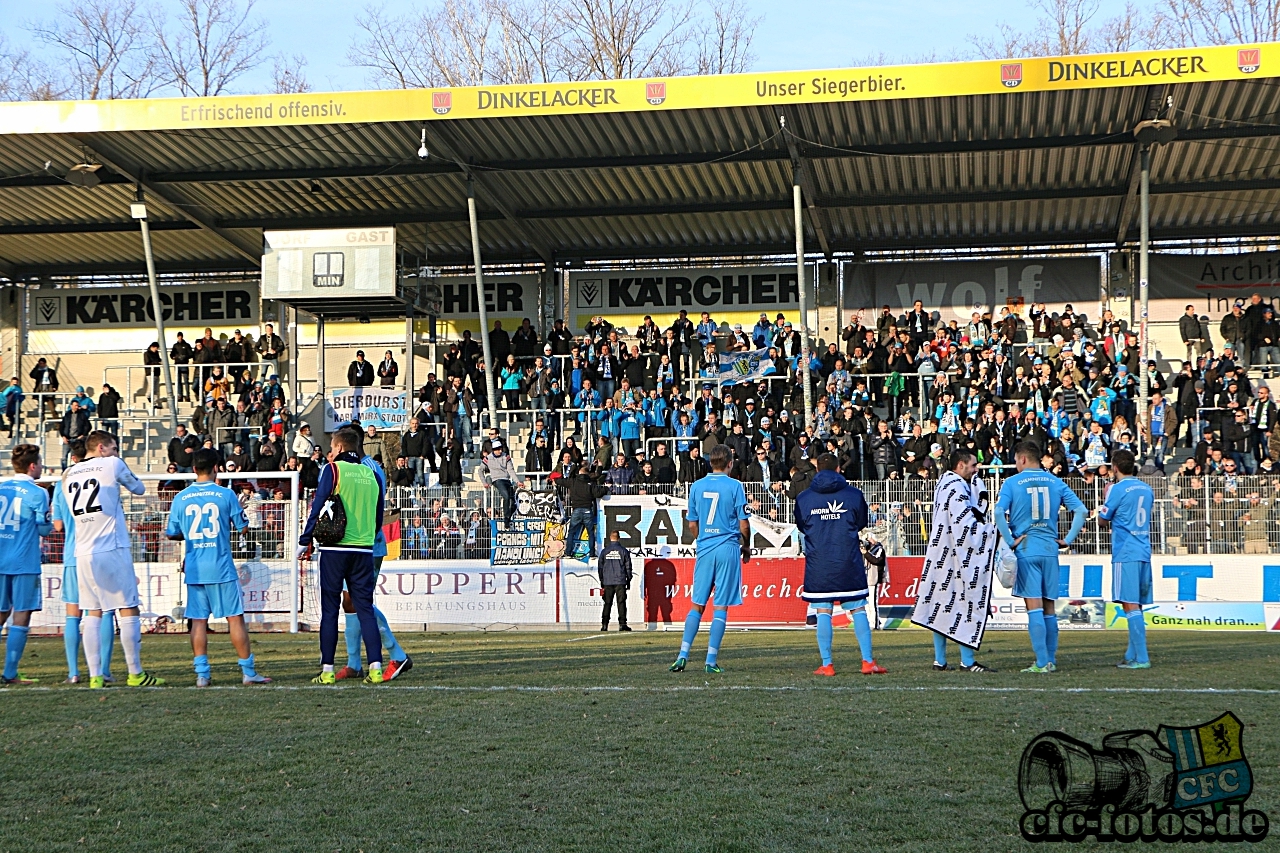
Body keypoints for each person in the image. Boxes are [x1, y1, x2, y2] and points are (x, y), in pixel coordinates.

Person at [64, 431, 162, 687]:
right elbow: (139, 489)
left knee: (93, 611)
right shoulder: (112, 463)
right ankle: (135, 673)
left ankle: (95, 677)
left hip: (83, 550)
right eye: (114, 448)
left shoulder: (68, 473)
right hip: (111, 546)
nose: (117, 452)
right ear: (101, 448)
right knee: (128, 606)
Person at [165, 449, 272, 687]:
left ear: (193, 469)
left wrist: (190, 533)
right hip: (220, 566)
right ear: (217, 469)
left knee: (199, 621)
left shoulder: (180, 498)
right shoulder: (225, 494)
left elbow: (172, 533)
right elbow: (243, 527)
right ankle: (248, 672)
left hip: (194, 568)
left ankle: (202, 674)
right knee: (235, 619)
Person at [298, 428, 386, 685]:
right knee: (365, 609)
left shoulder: (333, 470)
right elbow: (378, 513)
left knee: (330, 609)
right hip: (364, 548)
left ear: (337, 448)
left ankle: (327, 671)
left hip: (335, 548)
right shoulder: (372, 472)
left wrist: (306, 540)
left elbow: (318, 503)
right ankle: (376, 669)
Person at [994, 441, 1087, 674]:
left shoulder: (1012, 482)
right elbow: (1082, 511)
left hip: (1026, 549)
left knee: (1033, 607)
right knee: (1049, 608)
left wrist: (1010, 538)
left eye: (1016, 460)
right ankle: (1050, 660)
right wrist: (1068, 539)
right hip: (1049, 549)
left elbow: (997, 512)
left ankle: (1041, 662)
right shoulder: (1056, 482)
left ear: (1023, 459)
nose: (1016, 464)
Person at [794, 452, 887, 676]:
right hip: (847, 559)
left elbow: (801, 526)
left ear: (817, 470)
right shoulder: (854, 495)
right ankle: (867, 662)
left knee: (823, 611)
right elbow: (861, 523)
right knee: (858, 609)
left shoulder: (804, 498)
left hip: (819, 562)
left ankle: (827, 664)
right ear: (838, 469)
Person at [335, 427, 413, 682]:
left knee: (360, 600)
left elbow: (372, 506)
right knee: (350, 601)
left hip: (367, 542)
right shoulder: (354, 468)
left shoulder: (369, 468)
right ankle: (354, 663)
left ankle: (397, 654)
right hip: (352, 542)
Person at [669, 444, 750, 675]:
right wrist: (747, 546)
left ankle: (682, 655)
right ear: (730, 463)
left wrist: (702, 540)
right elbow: (744, 523)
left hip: (705, 548)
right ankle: (710, 661)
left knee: (697, 604)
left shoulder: (696, 486)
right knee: (720, 607)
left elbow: (692, 523)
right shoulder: (735, 486)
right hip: (727, 547)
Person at [920, 451, 996, 673]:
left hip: (940, 554)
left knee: (940, 606)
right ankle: (967, 661)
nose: (976, 470)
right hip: (955, 557)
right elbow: (965, 525)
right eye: (973, 466)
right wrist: (991, 532)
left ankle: (940, 660)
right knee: (965, 605)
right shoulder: (957, 488)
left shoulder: (944, 485)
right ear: (961, 465)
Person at [52, 440, 117, 684]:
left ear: (72, 458)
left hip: (73, 555)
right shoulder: (101, 478)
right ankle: (104, 670)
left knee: (72, 616)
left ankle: (73, 672)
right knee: (103, 612)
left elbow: (57, 525)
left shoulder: (63, 483)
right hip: (100, 552)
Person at [1097, 449, 1154, 670]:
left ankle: (1142, 657)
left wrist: (1105, 500)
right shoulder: (1147, 489)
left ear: (1114, 467)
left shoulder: (1117, 489)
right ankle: (1132, 654)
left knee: (1130, 605)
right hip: (1143, 550)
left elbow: (1103, 521)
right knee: (1136, 604)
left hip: (1125, 551)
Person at [0, 444, 52, 685]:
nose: (42, 467)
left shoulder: (1, 487)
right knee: (21, 614)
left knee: (1, 614)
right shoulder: (37, 492)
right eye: (40, 463)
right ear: (33, 466)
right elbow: (43, 528)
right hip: (24, 562)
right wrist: (48, 523)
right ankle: (10, 673)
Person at [597, 531, 633, 632]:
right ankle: (622, 624)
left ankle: (604, 625)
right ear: (619, 538)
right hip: (620, 580)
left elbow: (600, 567)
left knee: (607, 603)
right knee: (621, 603)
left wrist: (602, 580)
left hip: (608, 581)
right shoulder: (623, 551)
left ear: (610, 537)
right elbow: (628, 566)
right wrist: (628, 578)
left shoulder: (605, 551)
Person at [482, 440, 520, 525]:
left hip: (506, 479)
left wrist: (517, 481)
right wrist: (484, 482)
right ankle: (506, 517)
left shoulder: (506, 456)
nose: (500, 451)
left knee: (514, 501)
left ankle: (509, 516)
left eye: (500, 449)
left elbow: (511, 470)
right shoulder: (488, 458)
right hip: (497, 480)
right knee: (506, 496)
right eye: (498, 449)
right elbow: (480, 470)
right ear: (493, 450)